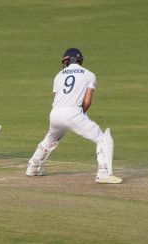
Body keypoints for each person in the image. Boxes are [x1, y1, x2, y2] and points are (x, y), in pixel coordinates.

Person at [26, 48, 122, 184]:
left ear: (68, 60)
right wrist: (79, 114)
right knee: (102, 139)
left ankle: (33, 167)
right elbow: (87, 101)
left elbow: (57, 97)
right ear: (79, 60)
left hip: (55, 113)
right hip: (73, 113)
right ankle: (103, 173)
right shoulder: (89, 75)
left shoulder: (58, 75)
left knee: (50, 138)